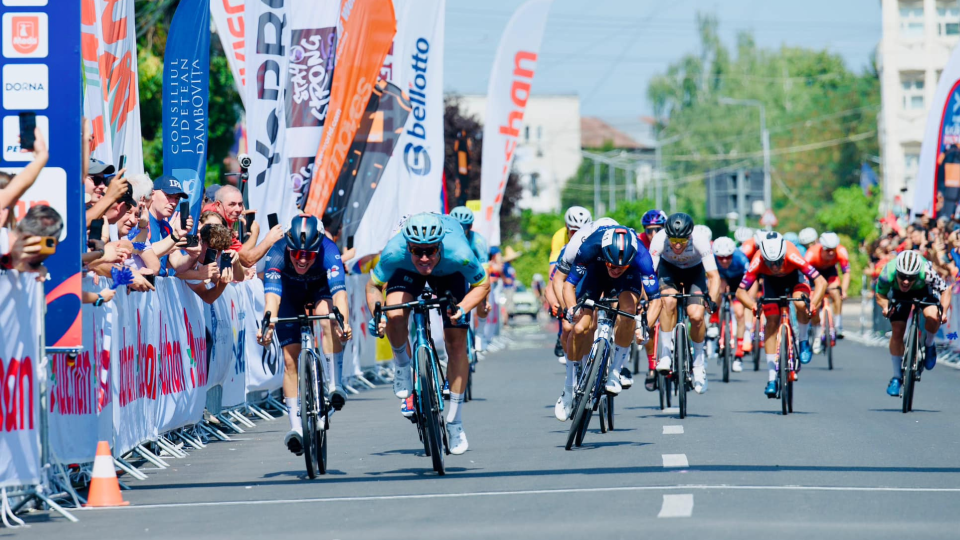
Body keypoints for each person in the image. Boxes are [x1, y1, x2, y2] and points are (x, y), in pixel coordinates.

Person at [365, 213, 489, 455]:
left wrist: (463, 308)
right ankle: (403, 365)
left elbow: (482, 284)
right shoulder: (395, 252)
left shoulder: (459, 252)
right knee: (395, 313)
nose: (424, 258)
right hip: (406, 272)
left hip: (449, 273)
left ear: (439, 246)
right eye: (417, 251)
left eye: (430, 251)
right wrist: (377, 315)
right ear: (408, 246)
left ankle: (455, 422)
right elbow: (373, 286)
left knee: (456, 343)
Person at [258, 215, 352, 455]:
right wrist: (268, 326)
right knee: (290, 360)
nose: (301, 259)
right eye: (296, 253)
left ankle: (335, 384)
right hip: (289, 294)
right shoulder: (277, 253)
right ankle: (296, 428)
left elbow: (339, 295)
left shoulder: (329, 250)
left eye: (309, 255)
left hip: (319, 289)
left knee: (326, 317)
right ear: (288, 247)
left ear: (317, 249)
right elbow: (272, 299)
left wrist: (343, 323)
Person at [558, 226, 661, 420]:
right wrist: (572, 309)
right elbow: (569, 285)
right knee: (580, 328)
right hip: (596, 272)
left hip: (628, 279)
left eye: (620, 266)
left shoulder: (641, 255)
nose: (615, 269)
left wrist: (645, 327)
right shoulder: (591, 246)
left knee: (628, 310)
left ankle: (615, 371)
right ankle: (569, 388)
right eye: (612, 265)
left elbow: (656, 300)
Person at [736, 232, 827, 397]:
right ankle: (772, 378)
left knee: (800, 304)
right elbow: (740, 292)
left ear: (783, 255)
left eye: (778, 262)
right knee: (771, 322)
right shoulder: (758, 259)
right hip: (772, 283)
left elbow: (821, 281)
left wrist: (813, 303)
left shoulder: (792, 254)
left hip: (795, 278)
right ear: (764, 258)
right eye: (770, 263)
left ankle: (803, 340)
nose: (774, 267)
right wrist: (752, 306)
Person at [649, 213, 720, 394]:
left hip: (694, 273)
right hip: (669, 270)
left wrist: (711, 299)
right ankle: (666, 354)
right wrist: (647, 298)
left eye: (682, 240)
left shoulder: (700, 240)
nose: (678, 245)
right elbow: (648, 274)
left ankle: (698, 364)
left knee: (696, 316)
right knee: (668, 301)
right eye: (673, 240)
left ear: (690, 236)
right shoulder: (659, 240)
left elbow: (714, 276)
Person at [875, 250, 951, 396]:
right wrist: (885, 306)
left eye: (910, 278)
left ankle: (929, 344)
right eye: (902, 276)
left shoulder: (927, 272)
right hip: (899, 294)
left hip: (924, 291)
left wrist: (944, 312)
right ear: (897, 272)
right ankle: (896, 377)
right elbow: (880, 294)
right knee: (897, 330)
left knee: (933, 317)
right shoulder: (887, 273)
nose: (906, 281)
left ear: (917, 274)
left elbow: (945, 290)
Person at [806, 232, 851, 348]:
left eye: (833, 250)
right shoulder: (811, 253)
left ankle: (838, 325)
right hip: (814, 274)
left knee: (836, 293)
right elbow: (804, 275)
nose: (831, 253)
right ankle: (816, 332)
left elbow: (846, 273)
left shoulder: (841, 251)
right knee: (815, 302)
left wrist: (844, 290)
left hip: (830, 272)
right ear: (822, 248)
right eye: (828, 250)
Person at [712, 236, 749, 371]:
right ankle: (714, 321)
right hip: (721, 278)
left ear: (733, 254)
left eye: (728, 257)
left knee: (739, 313)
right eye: (721, 258)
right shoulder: (711, 258)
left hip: (738, 280)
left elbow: (750, 277)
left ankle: (739, 353)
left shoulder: (741, 258)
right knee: (717, 289)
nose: (724, 260)